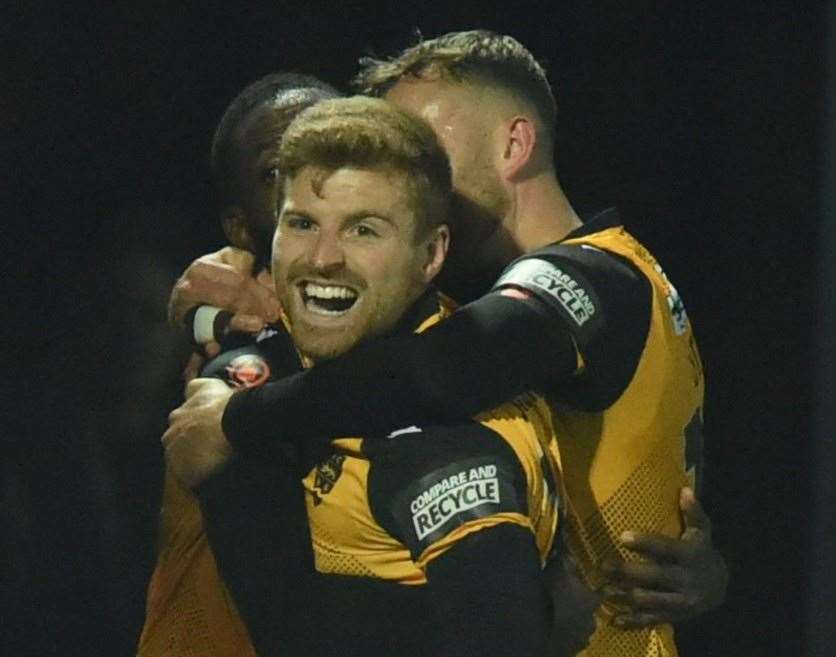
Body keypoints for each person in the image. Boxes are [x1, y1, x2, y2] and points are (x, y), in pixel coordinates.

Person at [165, 31, 728, 655]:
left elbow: (443, 371)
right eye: (302, 222)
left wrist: (238, 420)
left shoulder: (592, 278)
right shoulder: (467, 307)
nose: (401, 167)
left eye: (421, 145)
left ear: (514, 144)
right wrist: (223, 317)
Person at [170, 95, 570, 657]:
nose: (323, 257)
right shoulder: (273, 350)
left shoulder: (443, 445)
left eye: (364, 230)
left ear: (431, 254)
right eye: (303, 224)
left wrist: (226, 469)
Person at [136, 73, 341, 657]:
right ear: (239, 227)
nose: (314, 178)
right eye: (278, 171)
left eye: (334, 146)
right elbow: (289, 610)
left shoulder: (442, 331)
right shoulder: (240, 353)